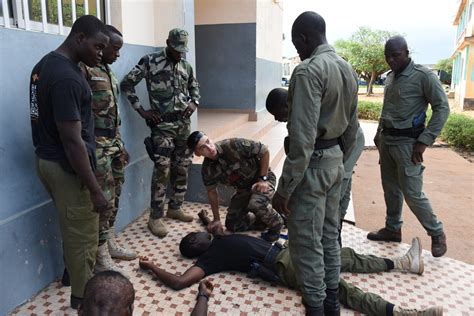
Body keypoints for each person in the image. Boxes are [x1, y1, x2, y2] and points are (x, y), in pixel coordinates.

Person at [138, 224, 442, 316]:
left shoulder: (218, 237)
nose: (201, 232)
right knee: (340, 289)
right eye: (196, 235)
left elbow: (211, 224)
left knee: (345, 256)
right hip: (283, 266)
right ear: (195, 245)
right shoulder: (210, 259)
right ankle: (402, 314)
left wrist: (210, 221)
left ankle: (403, 263)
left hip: (288, 252)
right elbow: (179, 282)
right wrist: (152, 267)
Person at [271, 11, 359, 315]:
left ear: (303, 38)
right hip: (335, 163)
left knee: (306, 244)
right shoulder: (347, 68)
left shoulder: (307, 71)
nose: (298, 51)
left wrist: (284, 188)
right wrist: (339, 163)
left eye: (297, 44)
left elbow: (302, 139)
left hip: (313, 167)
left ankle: (316, 308)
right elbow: (353, 129)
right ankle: (331, 303)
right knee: (329, 237)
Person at [29, 15, 109, 309]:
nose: (100, 53)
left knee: (71, 226)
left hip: (47, 161)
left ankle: (71, 276)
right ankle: (82, 302)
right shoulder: (66, 77)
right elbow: (72, 141)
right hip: (67, 167)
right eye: (98, 46)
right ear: (79, 39)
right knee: (83, 236)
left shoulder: (43, 66)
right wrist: (95, 190)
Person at [367, 36, 449, 258]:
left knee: (412, 193)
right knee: (390, 189)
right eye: (388, 56)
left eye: (396, 55)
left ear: (406, 52)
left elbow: (442, 108)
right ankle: (393, 229)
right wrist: (378, 134)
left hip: (409, 144)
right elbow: (387, 108)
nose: (391, 60)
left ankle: (437, 233)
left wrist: (424, 140)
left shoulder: (423, 76)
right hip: (388, 141)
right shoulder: (391, 77)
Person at [120, 28, 200, 237]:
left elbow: (195, 88)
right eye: (176, 49)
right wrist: (141, 110)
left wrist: (194, 103)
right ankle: (155, 217)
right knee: (162, 169)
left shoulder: (186, 66)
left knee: (182, 166)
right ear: (167, 43)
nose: (180, 54)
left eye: (183, 50)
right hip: (162, 127)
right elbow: (127, 84)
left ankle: (175, 207)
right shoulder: (149, 61)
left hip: (183, 126)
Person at [265, 88, 365, 245]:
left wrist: (285, 190)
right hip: (336, 142)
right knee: (338, 180)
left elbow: (300, 157)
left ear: (287, 104)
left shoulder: (305, 110)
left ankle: (334, 230)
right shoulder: (295, 115)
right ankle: (332, 228)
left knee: (340, 184)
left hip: (349, 140)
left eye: (277, 113)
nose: (277, 118)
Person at [79, 25, 137, 273]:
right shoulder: (84, 69)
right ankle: (100, 255)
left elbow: (114, 115)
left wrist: (121, 145)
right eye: (115, 48)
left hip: (113, 145)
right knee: (103, 201)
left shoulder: (108, 72)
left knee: (116, 195)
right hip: (97, 148)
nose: (117, 54)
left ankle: (109, 240)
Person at [186, 132, 284, 242]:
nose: (209, 148)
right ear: (198, 153)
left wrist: (263, 179)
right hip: (244, 189)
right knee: (233, 224)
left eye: (208, 141)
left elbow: (264, 151)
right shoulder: (208, 170)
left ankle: (277, 224)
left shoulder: (232, 145)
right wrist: (217, 219)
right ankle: (263, 220)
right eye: (203, 147)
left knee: (256, 203)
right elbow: (212, 192)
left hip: (262, 181)